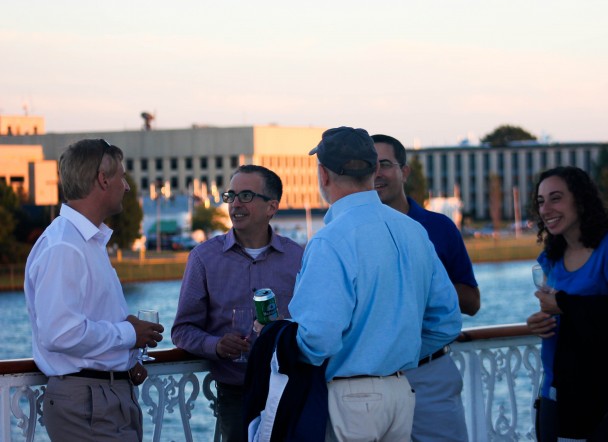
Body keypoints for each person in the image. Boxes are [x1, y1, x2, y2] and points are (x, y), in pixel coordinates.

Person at [288, 126, 462, 442]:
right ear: (372, 170)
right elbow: (446, 321)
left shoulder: (331, 240)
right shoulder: (413, 230)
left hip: (349, 397)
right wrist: (392, 353)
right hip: (400, 392)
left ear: (323, 174)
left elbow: (318, 342)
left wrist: (274, 339)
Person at [24, 138, 164, 442]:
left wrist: (125, 361)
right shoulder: (64, 246)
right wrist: (129, 334)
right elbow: (60, 333)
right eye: (122, 177)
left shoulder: (85, 241)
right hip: (88, 403)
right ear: (103, 180)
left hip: (101, 397)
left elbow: (86, 321)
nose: (126, 186)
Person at [171, 165, 303, 442]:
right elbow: (182, 330)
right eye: (231, 196)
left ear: (272, 206)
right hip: (235, 393)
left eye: (246, 195)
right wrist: (216, 345)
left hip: (292, 388)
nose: (235, 204)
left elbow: (316, 322)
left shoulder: (298, 257)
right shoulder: (203, 258)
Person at [526, 166, 608, 441]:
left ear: (580, 200)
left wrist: (563, 305)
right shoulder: (551, 257)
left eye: (556, 198)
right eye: (541, 201)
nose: (546, 209)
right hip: (555, 392)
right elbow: (560, 311)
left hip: (602, 396)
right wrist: (538, 322)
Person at [371, 133, 478, 442]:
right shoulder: (352, 231)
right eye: (369, 166)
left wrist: (426, 280)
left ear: (405, 171)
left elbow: (472, 302)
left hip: (428, 373)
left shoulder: (439, 227)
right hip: (370, 377)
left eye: (385, 164)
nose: (377, 173)